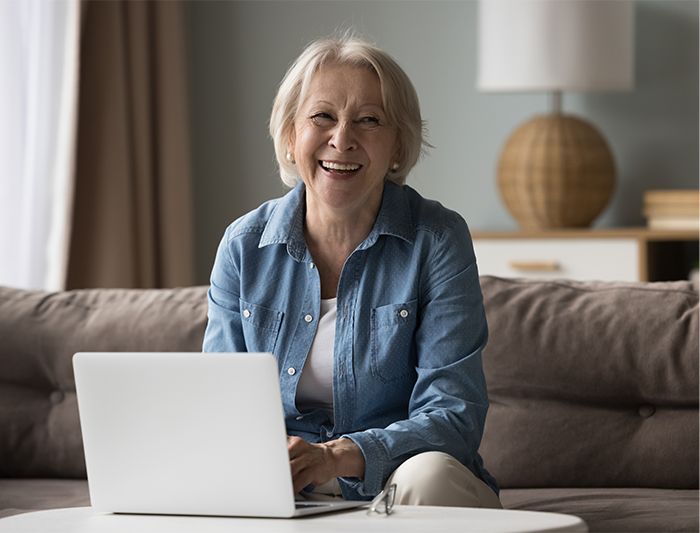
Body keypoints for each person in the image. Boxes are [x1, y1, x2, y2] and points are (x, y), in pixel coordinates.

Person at [202, 34, 501, 508]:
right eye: (322, 116)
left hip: (402, 481)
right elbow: (216, 407)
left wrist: (337, 457)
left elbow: (454, 415)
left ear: (397, 146)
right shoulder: (244, 246)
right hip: (287, 486)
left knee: (428, 477)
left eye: (369, 120)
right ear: (288, 135)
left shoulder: (438, 240)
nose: (342, 139)